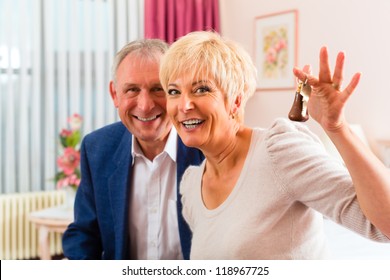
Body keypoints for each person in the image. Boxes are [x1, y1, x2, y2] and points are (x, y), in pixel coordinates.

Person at [159, 31, 390, 259]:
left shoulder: (279, 151)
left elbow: (384, 226)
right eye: (173, 91)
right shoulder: (190, 186)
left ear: (236, 100)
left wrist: (338, 128)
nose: (184, 104)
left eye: (201, 89)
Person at [62, 39, 204, 260]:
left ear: (176, 92)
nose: (145, 105)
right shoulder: (97, 149)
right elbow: (84, 234)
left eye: (158, 89)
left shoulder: (207, 148)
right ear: (114, 94)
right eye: (132, 90)